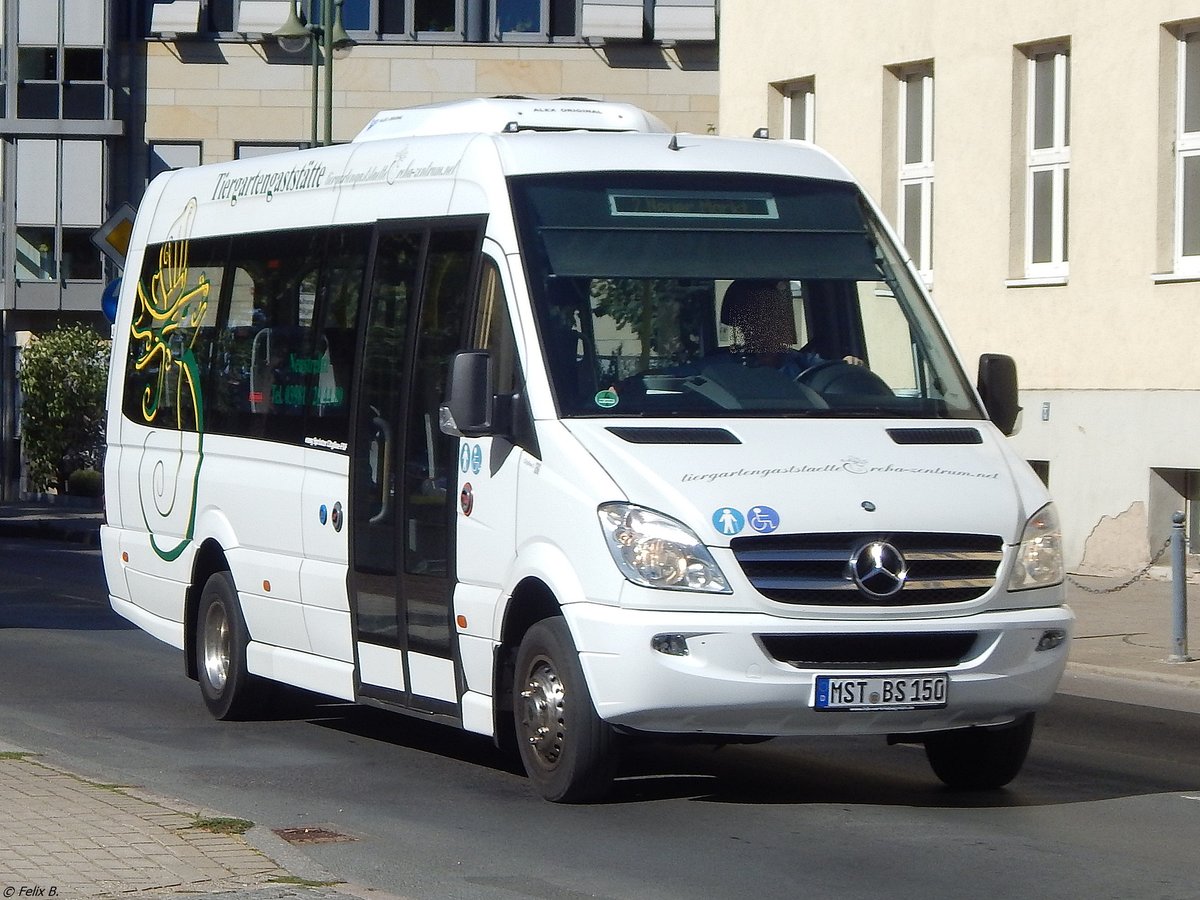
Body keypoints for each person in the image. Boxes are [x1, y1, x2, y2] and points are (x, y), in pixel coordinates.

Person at [719, 279, 862, 377]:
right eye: (762, 314)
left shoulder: (802, 362)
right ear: (744, 323)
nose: (774, 321)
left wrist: (847, 365)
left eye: (776, 313)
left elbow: (829, 372)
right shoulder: (723, 367)